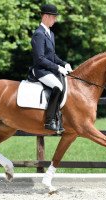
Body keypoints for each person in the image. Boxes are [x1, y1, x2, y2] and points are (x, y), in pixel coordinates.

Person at [30, 4, 72, 132]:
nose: (55, 20)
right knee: (57, 87)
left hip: (49, 69)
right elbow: (40, 59)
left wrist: (64, 63)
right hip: (40, 70)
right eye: (54, 17)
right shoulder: (39, 34)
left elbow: (52, 55)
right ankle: (49, 121)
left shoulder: (50, 34)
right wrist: (58, 68)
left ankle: (57, 115)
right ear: (46, 16)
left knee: (64, 85)